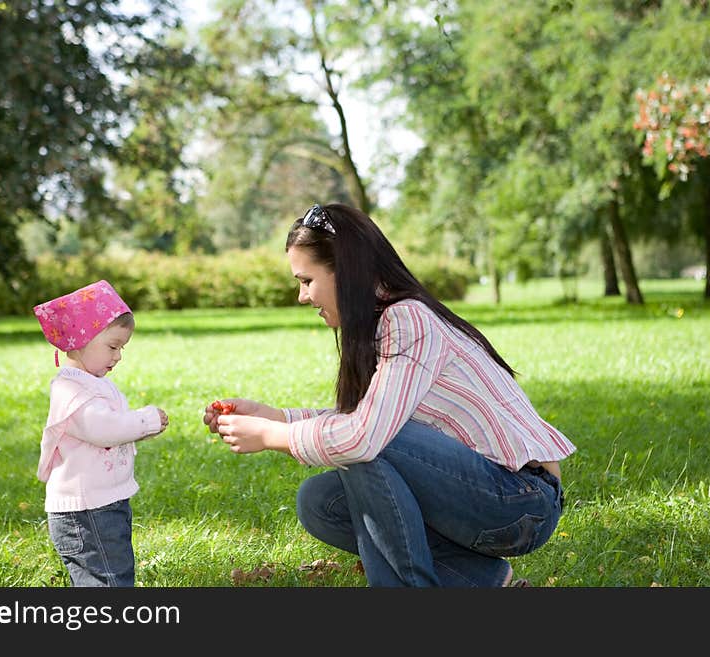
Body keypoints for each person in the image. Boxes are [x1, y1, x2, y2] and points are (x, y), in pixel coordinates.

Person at [203, 203, 575, 587]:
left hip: (521, 502)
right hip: (483, 496)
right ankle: (487, 580)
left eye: (307, 280)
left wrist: (269, 437)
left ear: (344, 273)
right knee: (321, 502)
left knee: (363, 444)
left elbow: (364, 437)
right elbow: (363, 425)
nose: (301, 296)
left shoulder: (408, 318)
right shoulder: (381, 322)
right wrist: (271, 416)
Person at [33, 279, 168, 587]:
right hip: (86, 511)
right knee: (108, 579)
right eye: (112, 346)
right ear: (81, 340)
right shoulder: (71, 389)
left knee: (113, 573)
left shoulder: (93, 382)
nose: (118, 356)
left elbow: (113, 425)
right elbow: (102, 429)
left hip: (102, 504)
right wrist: (144, 420)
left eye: (121, 348)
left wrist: (137, 430)